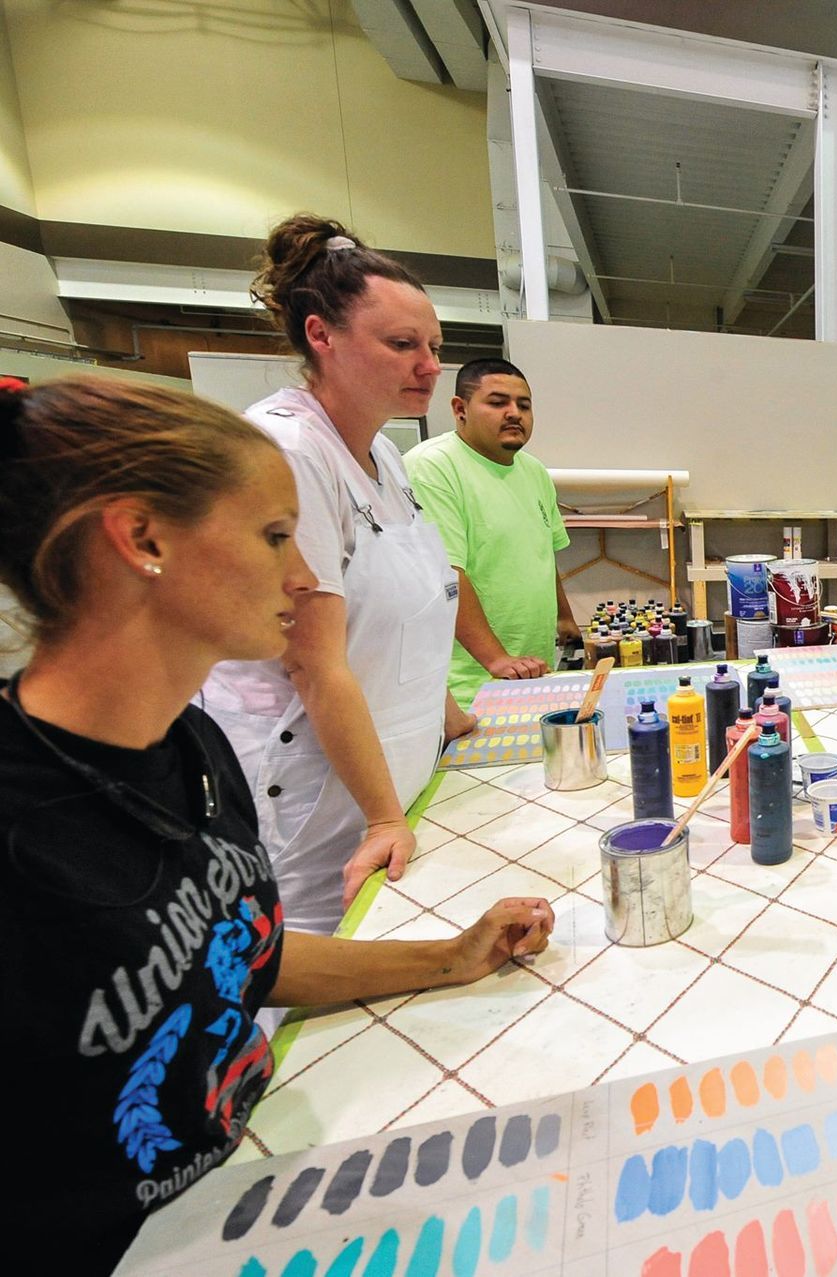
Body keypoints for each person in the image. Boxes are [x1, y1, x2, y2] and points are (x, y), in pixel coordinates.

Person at [0, 376, 554, 1276]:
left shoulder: (193, 746)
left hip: (243, 1180)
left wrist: (450, 956)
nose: (304, 574)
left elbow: (234, 949)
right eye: (271, 537)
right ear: (143, 540)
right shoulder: (25, 823)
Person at [199, 214, 475, 936]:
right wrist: (384, 815)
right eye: (402, 344)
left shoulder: (382, 455)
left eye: (434, 347)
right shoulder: (289, 453)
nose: (428, 365)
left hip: (393, 779)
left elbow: (405, 607)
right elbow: (315, 663)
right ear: (321, 336)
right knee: (315, 994)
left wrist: (450, 717)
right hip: (319, 801)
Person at [404, 358, 579, 706]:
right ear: (460, 409)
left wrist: (565, 617)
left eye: (523, 405)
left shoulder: (534, 472)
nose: (514, 413)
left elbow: (542, 553)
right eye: (498, 403)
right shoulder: (433, 467)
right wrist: (496, 659)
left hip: (530, 672)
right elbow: (445, 574)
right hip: (469, 686)